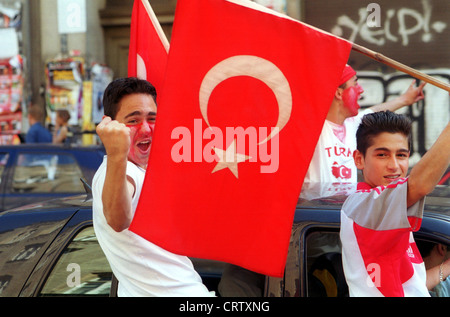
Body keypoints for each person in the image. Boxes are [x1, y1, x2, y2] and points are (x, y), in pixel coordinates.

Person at [92, 77, 213, 297]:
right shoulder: (121, 171)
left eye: (152, 118)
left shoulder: (137, 170)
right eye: (133, 120)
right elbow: (117, 220)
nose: (146, 128)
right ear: (110, 124)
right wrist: (116, 153)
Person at [340, 111, 450, 296]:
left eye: (401, 155)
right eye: (382, 155)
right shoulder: (362, 207)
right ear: (359, 159)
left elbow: (412, 286)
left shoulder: (390, 210)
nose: (394, 165)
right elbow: (419, 185)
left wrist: (446, 267)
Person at [303, 65, 426, 184]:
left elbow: (375, 110)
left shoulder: (352, 124)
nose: (361, 89)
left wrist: (404, 100)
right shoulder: (312, 128)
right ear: (339, 93)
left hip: (345, 204)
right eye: (355, 84)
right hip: (314, 205)